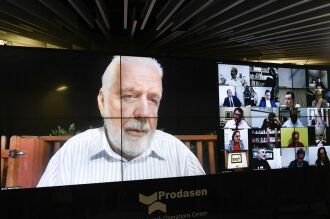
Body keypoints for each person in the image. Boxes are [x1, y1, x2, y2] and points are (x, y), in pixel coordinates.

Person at [37, 56, 205, 187]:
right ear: (102, 102)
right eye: (129, 97)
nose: (144, 113)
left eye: (153, 100)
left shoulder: (180, 156)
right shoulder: (71, 155)